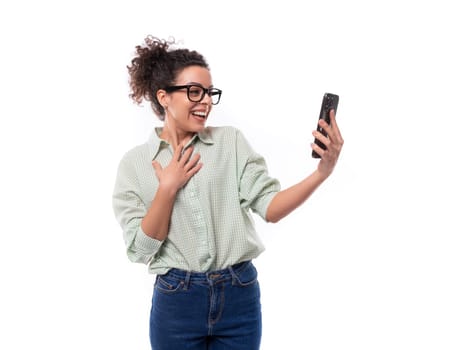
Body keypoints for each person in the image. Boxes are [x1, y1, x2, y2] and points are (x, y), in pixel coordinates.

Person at [112, 35, 344, 350]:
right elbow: (140, 251)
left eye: (210, 93)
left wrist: (322, 172)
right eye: (194, 91)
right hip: (176, 303)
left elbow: (270, 208)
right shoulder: (135, 164)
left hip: (239, 295)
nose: (206, 101)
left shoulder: (230, 143)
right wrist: (167, 189)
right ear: (164, 97)